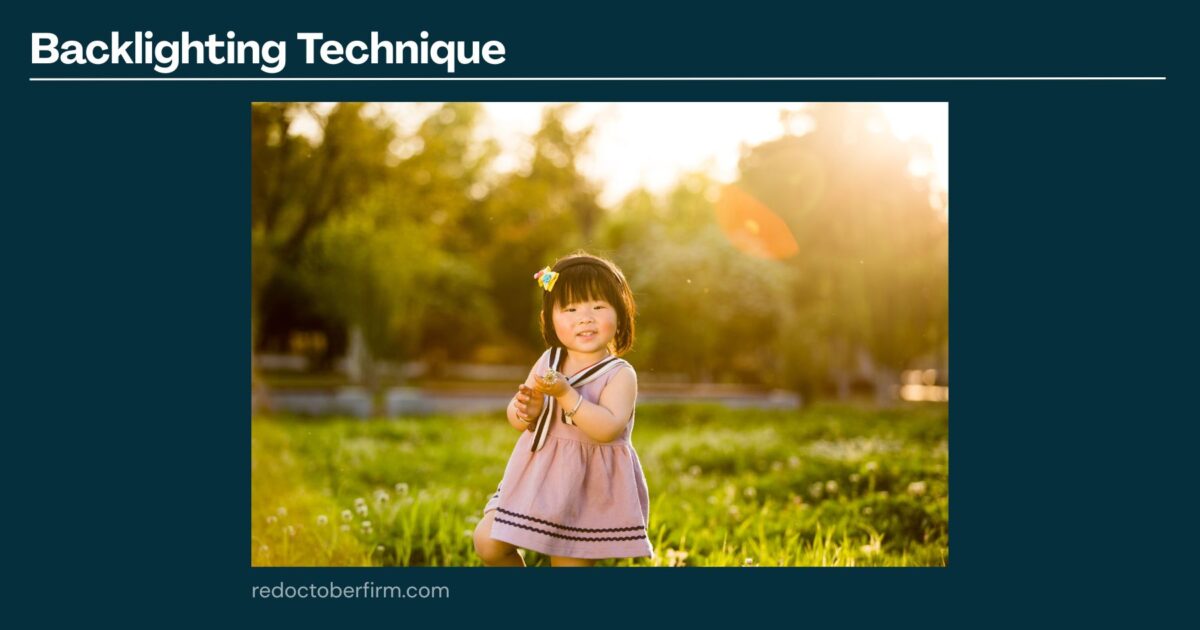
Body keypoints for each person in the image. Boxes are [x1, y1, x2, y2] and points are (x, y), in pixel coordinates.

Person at [473, 252, 653, 567]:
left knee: (568, 565)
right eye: (570, 309)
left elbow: (607, 428)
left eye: (598, 307)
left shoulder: (620, 374)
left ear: (621, 315)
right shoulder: (549, 361)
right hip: (537, 474)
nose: (585, 317)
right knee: (488, 541)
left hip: (585, 486)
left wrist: (566, 394)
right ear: (550, 319)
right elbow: (518, 418)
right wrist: (526, 410)